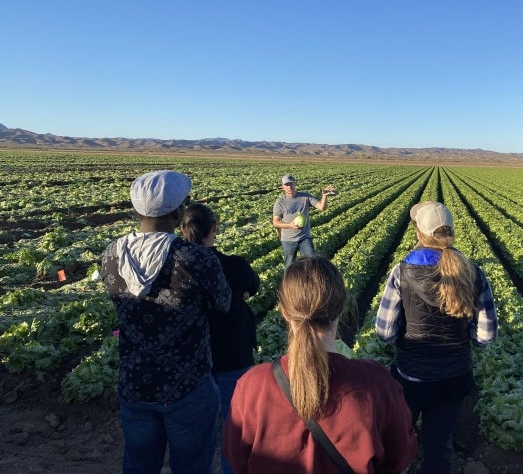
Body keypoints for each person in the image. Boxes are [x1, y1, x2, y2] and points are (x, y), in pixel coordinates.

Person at [223, 255, 417, 474]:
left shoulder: (252, 386)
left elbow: (237, 458)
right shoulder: (377, 384)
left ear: (285, 313)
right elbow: (398, 456)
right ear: (342, 307)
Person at [100, 170, 231, 474]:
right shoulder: (195, 258)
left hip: (135, 382)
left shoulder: (111, 255)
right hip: (188, 385)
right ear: (178, 212)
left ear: (136, 210)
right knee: (192, 466)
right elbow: (222, 304)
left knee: (139, 464)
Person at [375, 201, 498, 474]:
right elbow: (486, 336)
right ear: (451, 232)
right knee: (439, 445)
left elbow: (384, 333)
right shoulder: (473, 271)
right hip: (453, 378)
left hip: (411, 376)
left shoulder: (402, 271)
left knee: (398, 440)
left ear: (420, 233)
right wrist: (464, 339)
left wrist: (405, 340)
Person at [181, 202, 260, 474]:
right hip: (232, 356)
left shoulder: (176, 269)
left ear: (182, 230)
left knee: (195, 427)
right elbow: (254, 285)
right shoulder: (234, 266)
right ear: (214, 228)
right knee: (234, 424)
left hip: (191, 359)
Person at [272, 174, 335, 269]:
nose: (290, 187)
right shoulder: (280, 202)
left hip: (304, 238)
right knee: (289, 267)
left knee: (312, 263)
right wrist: (290, 225)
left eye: (291, 184)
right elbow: (275, 222)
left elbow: (322, 207)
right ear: (283, 187)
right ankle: (287, 283)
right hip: (288, 240)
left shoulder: (305, 197)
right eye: (287, 185)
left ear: (295, 184)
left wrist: (324, 196)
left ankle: (309, 282)